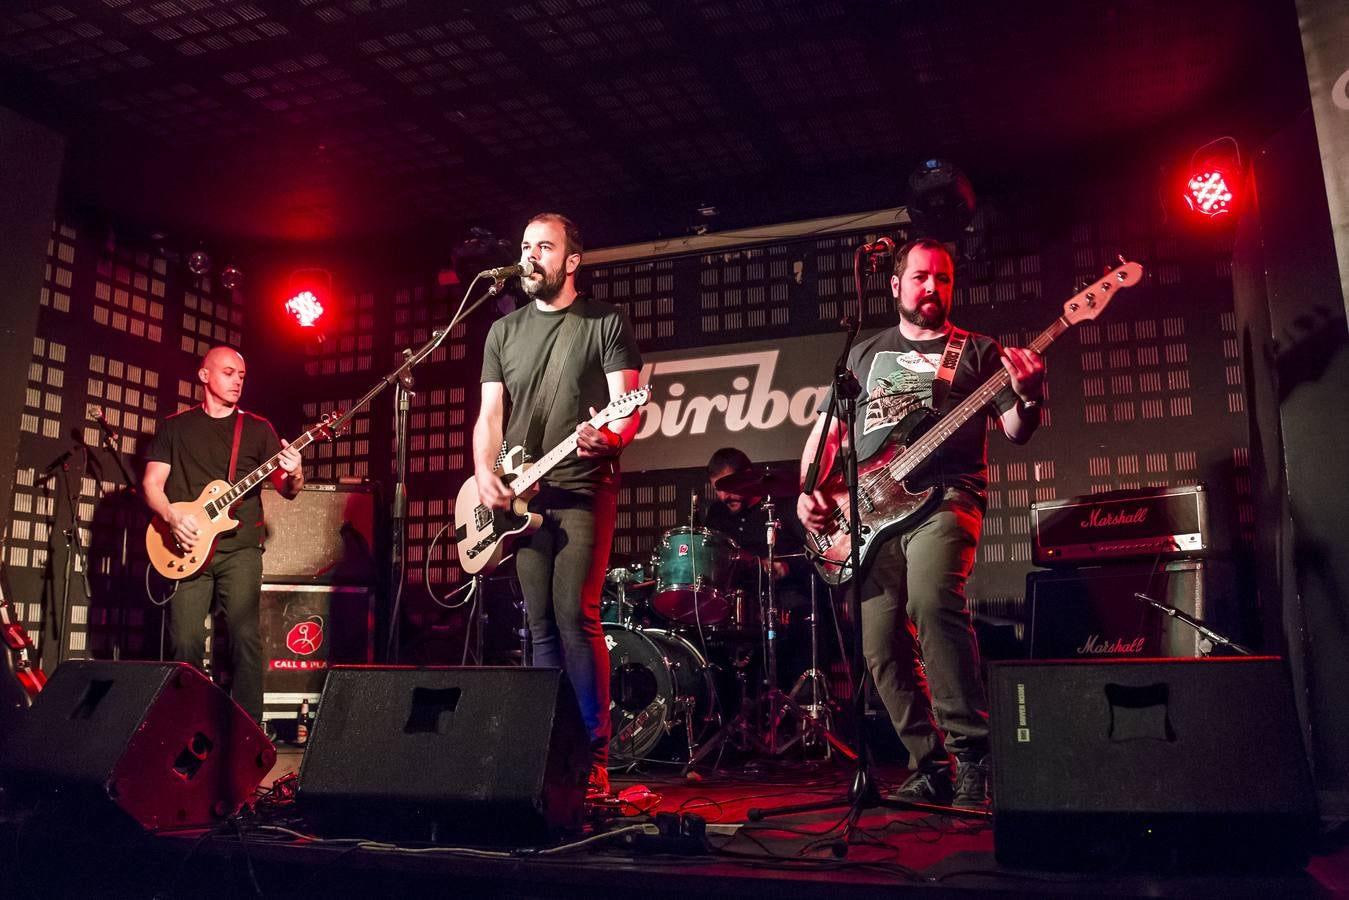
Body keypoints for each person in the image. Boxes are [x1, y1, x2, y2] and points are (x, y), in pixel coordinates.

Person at [796, 238, 1045, 808]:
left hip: (947, 497)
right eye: (920, 277)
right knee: (879, 641)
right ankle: (927, 763)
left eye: (943, 279)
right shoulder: (863, 354)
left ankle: (976, 755)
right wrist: (808, 493)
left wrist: (1029, 396)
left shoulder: (978, 351)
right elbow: (828, 436)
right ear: (894, 285)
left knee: (931, 603)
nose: (932, 288)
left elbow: (1016, 429)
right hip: (868, 511)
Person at [474, 212, 642, 798]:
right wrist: (485, 476)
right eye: (524, 246)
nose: (530, 256)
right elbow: (490, 416)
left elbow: (629, 404)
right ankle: (550, 748)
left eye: (543, 247)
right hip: (523, 496)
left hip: (583, 487)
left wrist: (613, 436)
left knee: (576, 615)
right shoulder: (503, 332)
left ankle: (594, 755)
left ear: (572, 260)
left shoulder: (603, 322)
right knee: (538, 623)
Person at [142, 346, 303, 723]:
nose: (237, 382)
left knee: (245, 637)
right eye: (229, 373)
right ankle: (186, 723)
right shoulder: (174, 427)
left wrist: (295, 470)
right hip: (187, 546)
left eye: (241, 376)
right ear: (204, 376)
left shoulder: (258, 429)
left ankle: (247, 734)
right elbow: (152, 484)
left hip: (240, 549)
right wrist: (171, 516)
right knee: (184, 641)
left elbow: (288, 489)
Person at [703, 447, 817, 684]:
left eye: (728, 486)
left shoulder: (784, 507)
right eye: (718, 490)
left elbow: (819, 552)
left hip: (786, 603)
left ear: (746, 477)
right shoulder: (715, 515)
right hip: (735, 611)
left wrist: (786, 568)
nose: (724, 497)